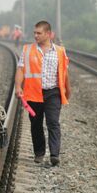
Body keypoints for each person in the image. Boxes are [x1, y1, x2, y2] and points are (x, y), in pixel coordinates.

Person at [14, 21, 71, 166]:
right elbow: (21, 69)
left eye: (39, 33)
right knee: (36, 124)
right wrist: (18, 86)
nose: (35, 35)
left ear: (48, 34)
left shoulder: (59, 51)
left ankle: (54, 154)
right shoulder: (27, 50)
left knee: (53, 122)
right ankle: (39, 153)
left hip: (53, 93)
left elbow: (65, 73)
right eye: (35, 33)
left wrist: (67, 91)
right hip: (33, 93)